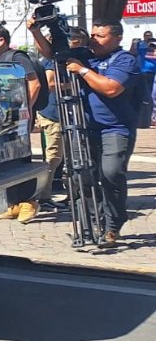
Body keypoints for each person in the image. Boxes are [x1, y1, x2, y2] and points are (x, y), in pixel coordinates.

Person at [30, 19, 140, 247]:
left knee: (110, 174)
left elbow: (111, 88)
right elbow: (52, 55)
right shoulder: (84, 53)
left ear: (117, 38)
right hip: (83, 127)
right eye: (93, 34)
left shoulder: (124, 60)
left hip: (115, 129)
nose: (94, 39)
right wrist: (36, 31)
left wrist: (81, 70)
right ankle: (93, 223)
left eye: (101, 36)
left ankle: (112, 225)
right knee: (84, 177)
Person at [0, 24, 47, 223]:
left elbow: (34, 84)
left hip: (17, 120)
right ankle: (14, 203)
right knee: (6, 162)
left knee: (21, 161)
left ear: (1, 41)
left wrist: (23, 113)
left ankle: (29, 202)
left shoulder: (17, 58)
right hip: (0, 120)